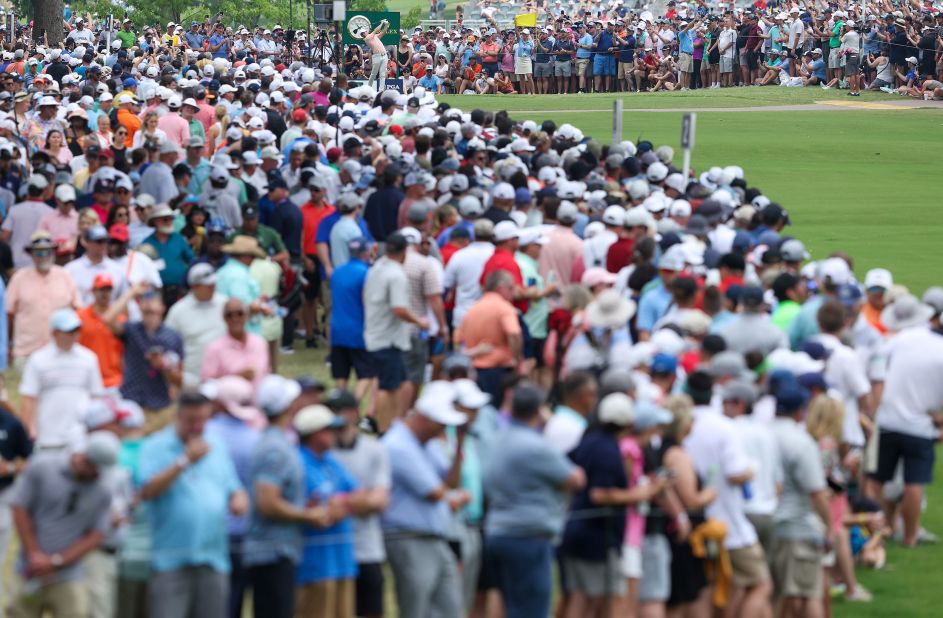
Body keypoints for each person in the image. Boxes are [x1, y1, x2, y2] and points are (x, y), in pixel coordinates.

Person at [137, 388, 248, 618]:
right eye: (191, 421)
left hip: (213, 558)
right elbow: (147, 491)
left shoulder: (216, 444)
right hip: (170, 560)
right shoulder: (155, 446)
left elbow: (233, 485)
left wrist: (239, 498)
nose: (198, 427)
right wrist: (184, 461)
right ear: (177, 416)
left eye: (203, 421)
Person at [6, 432, 119, 618]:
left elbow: (96, 535)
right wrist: (35, 555)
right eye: (92, 466)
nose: (95, 473)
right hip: (29, 568)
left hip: (70, 574)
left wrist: (56, 561)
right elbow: (20, 509)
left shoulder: (103, 488)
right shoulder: (42, 466)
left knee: (77, 612)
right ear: (83, 456)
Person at [381, 381, 467, 618]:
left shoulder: (427, 444)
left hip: (433, 537)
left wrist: (460, 442)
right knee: (416, 611)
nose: (442, 430)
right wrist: (452, 498)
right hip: (407, 538)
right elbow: (435, 492)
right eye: (440, 424)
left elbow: (451, 482)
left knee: (450, 609)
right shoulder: (398, 445)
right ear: (425, 419)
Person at [867, 295, 941, 547]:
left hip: (886, 420)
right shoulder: (937, 347)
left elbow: (876, 376)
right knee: (914, 483)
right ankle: (910, 537)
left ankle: (876, 532)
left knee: (876, 481)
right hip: (919, 425)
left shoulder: (892, 342)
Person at [328, 388, 391, 618]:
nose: (335, 417)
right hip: (332, 552)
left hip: (367, 550)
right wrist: (361, 500)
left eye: (340, 411)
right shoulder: (322, 451)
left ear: (354, 413)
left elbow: (380, 501)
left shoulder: (374, 449)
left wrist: (341, 504)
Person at [770, 384, 830, 618]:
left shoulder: (760, 433)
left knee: (775, 594)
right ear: (800, 411)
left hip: (764, 523)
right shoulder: (801, 441)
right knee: (804, 594)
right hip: (797, 525)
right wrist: (829, 529)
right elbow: (817, 491)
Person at [363, 232, 429, 431]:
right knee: (387, 386)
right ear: (405, 252)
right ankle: (383, 428)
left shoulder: (376, 268)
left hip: (375, 331)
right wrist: (420, 321)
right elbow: (399, 308)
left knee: (396, 384)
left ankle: (391, 424)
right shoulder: (396, 274)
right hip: (388, 338)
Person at [19, 308, 103, 447]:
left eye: (76, 330)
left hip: (81, 439)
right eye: (69, 331)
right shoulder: (38, 360)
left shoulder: (89, 359)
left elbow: (96, 398)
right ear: (54, 333)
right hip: (47, 437)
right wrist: (27, 434)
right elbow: (28, 399)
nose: (74, 335)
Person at [106, 286, 184, 434]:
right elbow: (108, 319)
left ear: (162, 307)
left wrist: (164, 366)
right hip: (132, 403)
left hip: (161, 406)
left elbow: (180, 379)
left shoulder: (173, 336)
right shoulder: (131, 329)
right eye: (144, 300)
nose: (148, 303)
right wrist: (131, 293)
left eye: (153, 299)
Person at [6, 232, 81, 365]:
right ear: (31, 254)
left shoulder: (65, 276)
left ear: (53, 253)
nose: (44, 256)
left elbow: (78, 311)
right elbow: (9, 315)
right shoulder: (19, 278)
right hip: (27, 351)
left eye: (48, 251)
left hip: (61, 350)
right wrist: (9, 344)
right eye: (39, 252)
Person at [164, 264, 228, 387]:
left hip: (223, 380)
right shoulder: (178, 311)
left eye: (214, 284)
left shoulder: (224, 304)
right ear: (195, 286)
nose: (213, 288)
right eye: (208, 286)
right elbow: (168, 346)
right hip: (192, 380)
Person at [364, 19, 391, 92]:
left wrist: (386, 25)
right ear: (363, 33)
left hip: (384, 55)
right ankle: (368, 89)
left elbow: (383, 32)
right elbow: (376, 30)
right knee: (373, 74)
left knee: (382, 74)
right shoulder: (367, 38)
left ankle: (381, 91)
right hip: (376, 57)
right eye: (365, 31)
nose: (366, 31)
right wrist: (382, 23)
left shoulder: (374, 37)